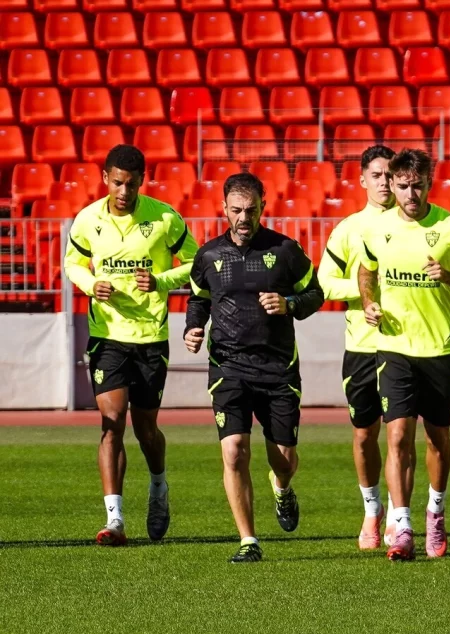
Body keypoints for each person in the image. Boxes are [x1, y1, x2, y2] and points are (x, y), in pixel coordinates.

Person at [359, 149, 450, 561]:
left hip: (439, 350)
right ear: (392, 185)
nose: (410, 193)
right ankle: (402, 525)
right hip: (393, 347)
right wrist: (368, 301)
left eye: (417, 185)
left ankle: (435, 510)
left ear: (429, 183)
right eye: (402, 186)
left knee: (437, 439)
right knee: (397, 434)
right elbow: (366, 270)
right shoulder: (377, 229)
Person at [185, 172, 324, 563]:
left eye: (251, 210)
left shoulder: (284, 250)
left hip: (278, 368)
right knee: (234, 451)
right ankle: (249, 541)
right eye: (236, 211)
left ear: (263, 206)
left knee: (283, 459)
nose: (243, 218)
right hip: (228, 366)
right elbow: (198, 298)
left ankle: (281, 488)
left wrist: (289, 304)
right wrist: (193, 327)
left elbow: (316, 293)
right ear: (224, 208)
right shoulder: (209, 255)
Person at [65, 144, 198, 546]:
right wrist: (91, 284)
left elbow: (197, 264)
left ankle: (158, 487)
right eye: (117, 182)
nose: (123, 191)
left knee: (145, 429)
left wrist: (161, 281)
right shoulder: (88, 220)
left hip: (150, 337)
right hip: (107, 335)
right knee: (112, 421)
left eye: (131, 183)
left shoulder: (164, 218)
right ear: (105, 177)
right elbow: (73, 263)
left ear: (143, 179)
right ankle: (115, 519)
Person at [316, 145, 395, 550]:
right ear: (362, 180)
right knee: (365, 435)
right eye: (376, 175)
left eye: (388, 175)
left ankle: (400, 516)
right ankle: (372, 508)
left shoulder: (415, 225)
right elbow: (324, 282)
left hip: (407, 347)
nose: (383, 182)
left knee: (401, 435)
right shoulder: (348, 229)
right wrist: (365, 294)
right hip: (363, 347)